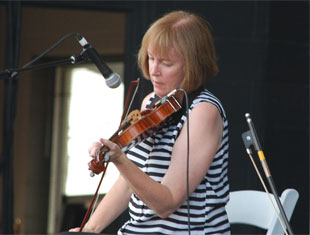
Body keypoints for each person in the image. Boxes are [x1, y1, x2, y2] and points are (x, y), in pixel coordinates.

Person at [70, 10, 230, 234]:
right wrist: (90, 229)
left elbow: (168, 202)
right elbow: (129, 183)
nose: (153, 71)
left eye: (165, 63)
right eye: (151, 58)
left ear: (192, 64)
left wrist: (119, 159)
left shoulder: (203, 112)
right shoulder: (152, 103)